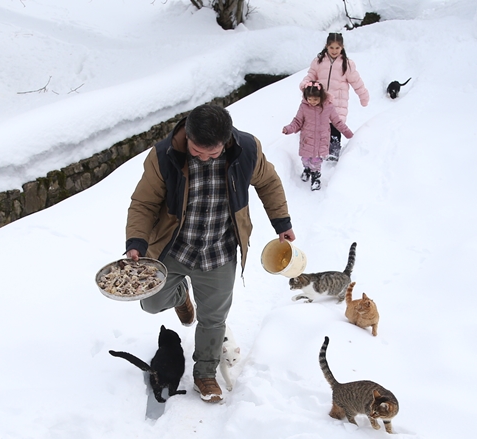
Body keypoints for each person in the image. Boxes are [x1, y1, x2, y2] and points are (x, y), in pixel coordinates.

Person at [124, 103, 295, 403]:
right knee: (150, 303)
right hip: (174, 247)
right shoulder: (163, 155)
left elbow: (267, 182)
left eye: (212, 153)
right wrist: (137, 242)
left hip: (219, 250)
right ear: (187, 136)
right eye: (196, 151)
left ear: (226, 140)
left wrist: (282, 222)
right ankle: (180, 296)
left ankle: (205, 373)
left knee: (213, 318)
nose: (203, 157)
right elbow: (144, 203)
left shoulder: (247, 150)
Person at [300, 32, 369, 161]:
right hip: (321, 100)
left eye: (337, 48)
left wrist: (363, 96)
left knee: (335, 126)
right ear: (326, 46)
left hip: (338, 102)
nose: (334, 51)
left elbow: (357, 82)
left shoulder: (346, 64)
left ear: (342, 47)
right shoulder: (319, 62)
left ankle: (334, 151)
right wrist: (305, 84)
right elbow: (311, 75)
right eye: (331, 47)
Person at [282, 82, 352, 191]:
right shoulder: (304, 107)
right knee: (305, 159)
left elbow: (337, 121)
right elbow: (297, 121)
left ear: (321, 96)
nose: (312, 102)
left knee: (316, 161)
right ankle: (307, 169)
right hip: (307, 139)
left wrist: (347, 133)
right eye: (310, 99)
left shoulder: (328, 107)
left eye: (315, 99)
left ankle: (316, 177)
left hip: (321, 140)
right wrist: (288, 129)